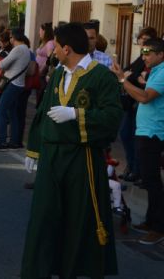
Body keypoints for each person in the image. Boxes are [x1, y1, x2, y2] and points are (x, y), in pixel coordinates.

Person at [21, 22, 122, 278]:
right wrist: (34, 150)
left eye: (56, 48)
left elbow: (111, 118)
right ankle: (40, 270)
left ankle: (70, 270)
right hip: (52, 157)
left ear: (67, 48)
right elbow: (43, 111)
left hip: (81, 158)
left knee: (77, 219)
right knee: (45, 216)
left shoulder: (102, 77)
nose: (53, 52)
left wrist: (77, 114)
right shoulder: (57, 73)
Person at [111, 38, 164, 245]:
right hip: (147, 130)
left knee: (152, 181)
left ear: (161, 54)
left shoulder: (162, 72)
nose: (144, 58)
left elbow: (144, 97)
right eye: (143, 54)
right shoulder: (155, 71)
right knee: (150, 180)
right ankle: (152, 222)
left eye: (148, 54)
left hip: (153, 133)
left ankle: (159, 228)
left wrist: (123, 80)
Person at [0, 28, 30, 151]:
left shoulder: (18, 49)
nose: (10, 40)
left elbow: (2, 64)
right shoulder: (26, 49)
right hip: (19, 84)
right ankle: (14, 141)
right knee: (12, 113)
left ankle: (2, 141)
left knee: (0, 111)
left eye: (11, 38)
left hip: (12, 83)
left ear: (14, 38)